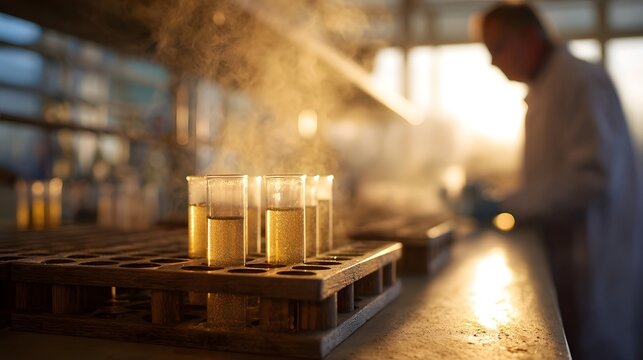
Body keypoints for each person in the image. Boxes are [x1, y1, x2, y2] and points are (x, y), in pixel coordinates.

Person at [474, 2, 643, 359]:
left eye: (496, 48)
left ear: (528, 37)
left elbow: (592, 179)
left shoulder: (580, 80)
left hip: (595, 264)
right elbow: (552, 175)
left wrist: (506, 204)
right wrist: (508, 195)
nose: (492, 62)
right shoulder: (547, 87)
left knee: (595, 346)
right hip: (570, 262)